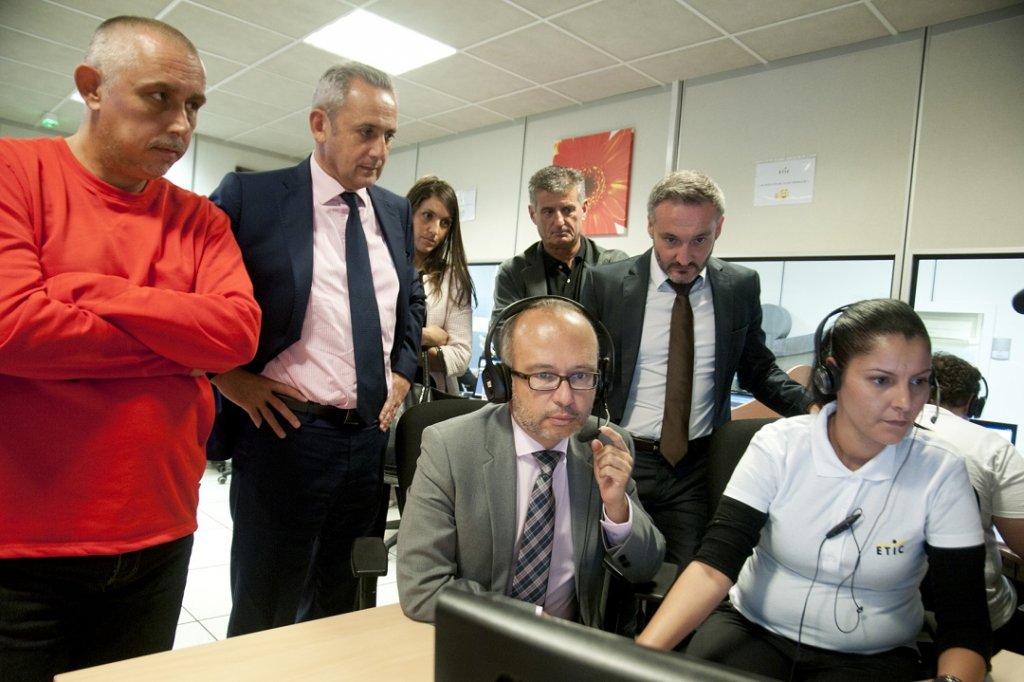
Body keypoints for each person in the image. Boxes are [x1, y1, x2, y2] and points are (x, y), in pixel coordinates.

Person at [0, 16, 260, 680]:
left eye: (194, 105)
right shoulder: (14, 174)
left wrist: (92, 291)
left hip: (161, 534)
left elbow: (235, 335)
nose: (181, 124)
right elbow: (12, 327)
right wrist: (180, 344)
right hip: (25, 545)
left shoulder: (203, 220)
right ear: (90, 87)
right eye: (159, 97)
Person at [636, 299, 991, 682]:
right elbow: (712, 569)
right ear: (831, 378)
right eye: (881, 380)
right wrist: (635, 662)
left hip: (871, 657)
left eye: (919, 381)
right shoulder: (780, 446)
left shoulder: (941, 471)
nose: (905, 403)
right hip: (755, 632)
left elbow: (965, 620)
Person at [208, 61, 425, 636]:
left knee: (347, 598)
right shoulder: (252, 197)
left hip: (367, 442)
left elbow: (413, 303)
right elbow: (191, 289)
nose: (379, 150)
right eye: (365, 132)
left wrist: (403, 369)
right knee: (268, 603)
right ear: (319, 124)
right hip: (286, 436)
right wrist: (227, 375)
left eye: (389, 135)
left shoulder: (396, 212)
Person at [582, 170, 813, 569]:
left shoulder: (739, 287)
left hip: (692, 468)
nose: (684, 257)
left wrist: (817, 408)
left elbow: (759, 370)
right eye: (670, 240)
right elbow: (580, 371)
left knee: (678, 579)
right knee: (601, 571)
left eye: (699, 240)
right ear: (650, 226)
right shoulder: (605, 285)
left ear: (719, 228)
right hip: (616, 452)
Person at [397, 297, 665, 626]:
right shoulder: (450, 448)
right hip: (482, 640)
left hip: (575, 651)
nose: (566, 398)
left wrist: (617, 509)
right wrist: (536, 622)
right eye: (543, 376)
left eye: (581, 376)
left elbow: (645, 568)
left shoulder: (606, 445)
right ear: (504, 379)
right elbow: (422, 588)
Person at [924, 351, 1024, 654]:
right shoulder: (991, 447)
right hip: (974, 617)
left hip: (895, 610)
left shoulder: (878, 433)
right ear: (971, 401)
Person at [489, 165, 626, 332]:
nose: (559, 221)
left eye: (567, 210)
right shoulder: (513, 272)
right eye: (548, 212)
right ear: (533, 214)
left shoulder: (615, 265)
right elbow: (501, 335)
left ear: (584, 208)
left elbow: (624, 333)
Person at [407, 175, 474, 394]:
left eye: (444, 223)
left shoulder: (453, 278)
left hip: (430, 396)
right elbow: (367, 339)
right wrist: (424, 337)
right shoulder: (381, 267)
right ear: (409, 212)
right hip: (380, 393)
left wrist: (397, 349)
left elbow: (461, 356)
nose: (435, 230)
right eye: (428, 216)